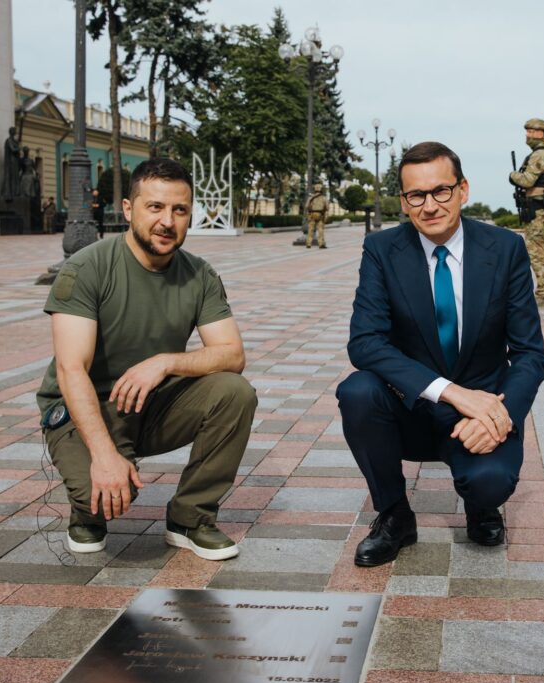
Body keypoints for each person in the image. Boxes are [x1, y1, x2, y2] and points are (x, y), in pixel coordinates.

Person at [336, 141, 544, 567]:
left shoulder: (505, 249)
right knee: (357, 390)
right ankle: (395, 516)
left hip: (481, 414)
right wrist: (451, 392)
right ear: (404, 201)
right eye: (416, 195)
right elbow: (364, 341)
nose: (429, 205)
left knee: (489, 484)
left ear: (463, 190)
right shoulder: (382, 251)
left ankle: (481, 505)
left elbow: (529, 353)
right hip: (411, 407)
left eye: (441, 191)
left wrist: (498, 416)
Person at [36, 157, 257, 560]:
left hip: (149, 401)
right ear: (127, 209)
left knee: (234, 392)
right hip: (86, 406)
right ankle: (84, 511)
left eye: (179, 210)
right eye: (154, 207)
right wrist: (104, 457)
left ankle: (191, 518)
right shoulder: (86, 268)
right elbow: (71, 371)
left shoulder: (199, 274)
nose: (167, 221)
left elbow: (232, 354)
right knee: (101, 498)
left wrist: (164, 363)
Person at [509, 118, 544, 308]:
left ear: (542, 133)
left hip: (538, 209)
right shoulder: (542, 153)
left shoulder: (540, 154)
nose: (527, 135)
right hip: (538, 207)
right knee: (541, 251)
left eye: (531, 131)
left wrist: (513, 176)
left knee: (536, 252)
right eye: (527, 131)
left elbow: (527, 180)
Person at [305, 183, 329, 249]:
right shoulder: (324, 198)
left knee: (310, 230)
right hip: (320, 215)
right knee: (320, 230)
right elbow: (327, 208)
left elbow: (306, 206)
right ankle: (321, 244)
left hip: (311, 215)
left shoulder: (311, 198)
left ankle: (308, 244)